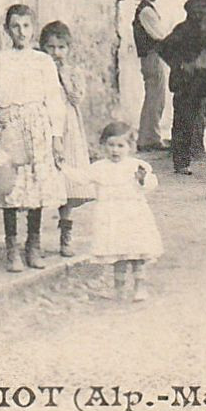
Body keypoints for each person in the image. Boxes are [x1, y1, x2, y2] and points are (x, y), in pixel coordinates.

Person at [0, 4, 76, 271]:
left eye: (26, 26)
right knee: (10, 186)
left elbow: (54, 100)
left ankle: (34, 244)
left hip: (39, 128)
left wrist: (56, 136)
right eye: (16, 26)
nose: (21, 32)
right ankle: (12, 248)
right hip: (11, 127)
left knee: (36, 188)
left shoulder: (42, 60)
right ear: (7, 29)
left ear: (33, 28)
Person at [83, 121, 163, 301]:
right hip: (111, 215)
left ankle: (139, 287)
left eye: (120, 146)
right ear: (103, 145)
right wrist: (62, 168)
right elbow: (82, 178)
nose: (115, 150)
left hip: (133, 214)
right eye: (111, 145)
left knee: (137, 252)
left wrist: (142, 180)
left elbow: (150, 185)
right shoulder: (99, 167)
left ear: (130, 147)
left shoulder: (136, 166)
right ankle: (118, 288)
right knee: (118, 253)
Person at [38, 21, 96, 258]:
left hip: (68, 127)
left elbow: (76, 97)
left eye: (61, 47)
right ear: (43, 48)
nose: (56, 52)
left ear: (68, 48)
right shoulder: (39, 71)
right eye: (50, 47)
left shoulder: (72, 72)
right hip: (45, 125)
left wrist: (62, 75)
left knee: (68, 183)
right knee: (43, 181)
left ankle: (66, 236)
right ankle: (35, 238)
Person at [159, 0, 206, 175]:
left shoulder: (200, 31)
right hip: (185, 83)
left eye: (203, 11)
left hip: (199, 82)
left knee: (191, 120)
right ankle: (181, 162)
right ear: (190, 12)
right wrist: (181, 64)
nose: (201, 14)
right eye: (197, 11)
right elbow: (163, 49)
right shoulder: (182, 30)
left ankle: (184, 160)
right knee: (183, 121)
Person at [131, 0, 169, 152]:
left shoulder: (148, 9)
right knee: (155, 98)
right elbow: (159, 36)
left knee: (154, 97)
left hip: (152, 56)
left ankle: (148, 137)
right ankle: (149, 139)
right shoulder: (146, 11)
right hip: (152, 56)